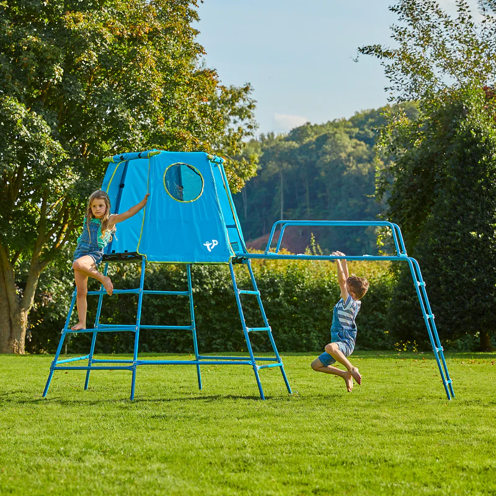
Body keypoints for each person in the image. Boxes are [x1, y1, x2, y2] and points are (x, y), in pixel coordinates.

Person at [71, 190, 149, 331]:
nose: (97, 209)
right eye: (94, 206)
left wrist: (143, 203)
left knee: (77, 264)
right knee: (81, 292)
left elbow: (129, 213)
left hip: (94, 254)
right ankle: (82, 322)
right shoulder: (87, 219)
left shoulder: (109, 220)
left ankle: (104, 279)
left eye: (100, 205)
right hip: (80, 253)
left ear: (106, 206)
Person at [311, 251, 369, 392]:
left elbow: (342, 281)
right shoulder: (352, 300)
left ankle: (351, 368)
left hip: (344, 342)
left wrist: (336, 261)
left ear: (351, 294)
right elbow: (347, 281)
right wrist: (344, 261)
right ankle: (345, 374)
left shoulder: (349, 303)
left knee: (329, 348)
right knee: (316, 365)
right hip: (339, 342)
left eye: (346, 289)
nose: (342, 288)